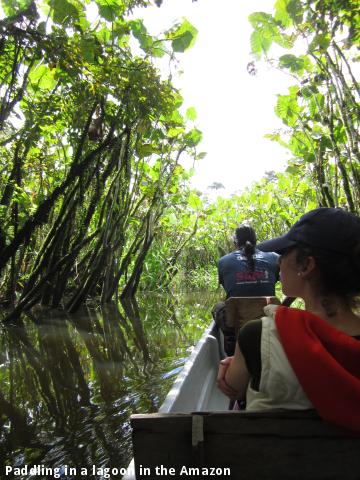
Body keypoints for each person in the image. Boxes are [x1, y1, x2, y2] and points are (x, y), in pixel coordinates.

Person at [217, 207, 360, 432]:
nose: (279, 262)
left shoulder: (255, 335)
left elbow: (232, 388)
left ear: (306, 265)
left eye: (284, 254)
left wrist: (237, 362)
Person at [213, 224, 280, 355]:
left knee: (219, 306)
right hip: (267, 319)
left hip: (237, 318)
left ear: (235, 243)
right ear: (256, 240)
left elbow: (228, 289)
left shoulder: (223, 261)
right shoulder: (274, 257)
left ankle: (232, 339)